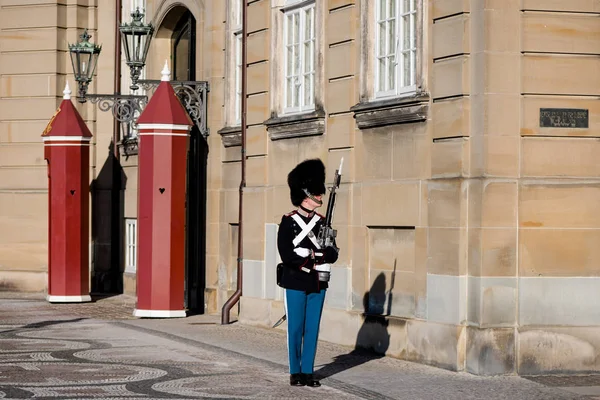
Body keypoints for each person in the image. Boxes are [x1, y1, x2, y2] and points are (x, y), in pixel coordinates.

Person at [277, 158, 339, 387]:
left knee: (312, 327)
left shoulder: (322, 222)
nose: (321, 196)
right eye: (317, 193)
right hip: (294, 280)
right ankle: (295, 371)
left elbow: (332, 254)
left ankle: (308, 371)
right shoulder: (288, 222)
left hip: (317, 282)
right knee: (295, 328)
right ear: (306, 194)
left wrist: (319, 253)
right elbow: (287, 254)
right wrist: (313, 257)